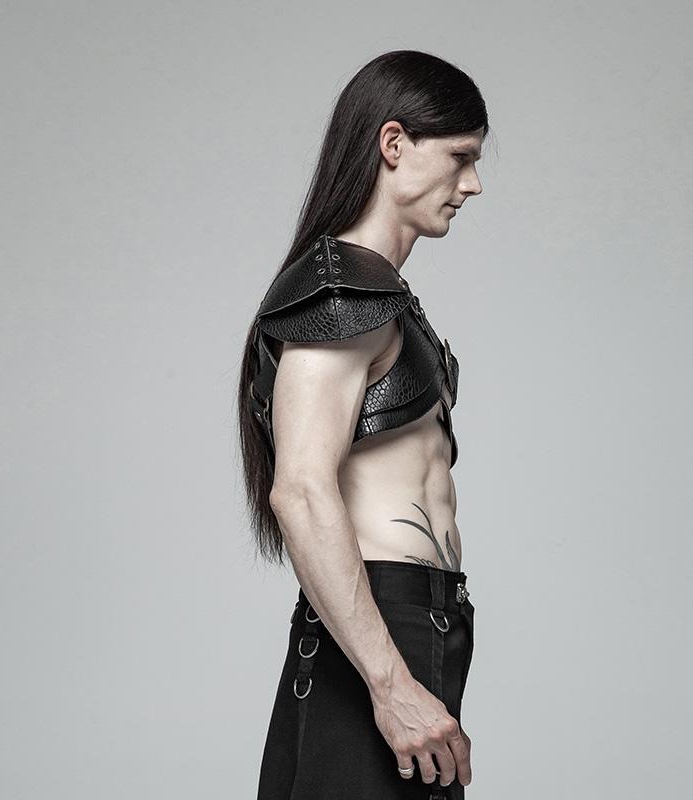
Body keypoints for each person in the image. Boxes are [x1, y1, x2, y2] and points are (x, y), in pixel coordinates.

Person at [237, 49, 488, 799]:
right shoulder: (339, 294)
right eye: (461, 157)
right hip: (378, 626)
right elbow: (301, 491)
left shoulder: (382, 295)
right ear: (394, 143)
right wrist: (390, 683)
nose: (473, 184)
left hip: (415, 622)